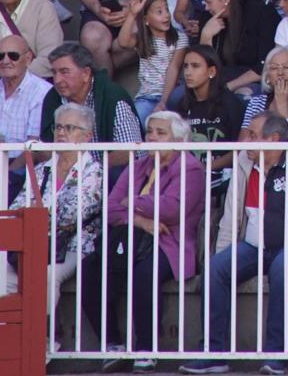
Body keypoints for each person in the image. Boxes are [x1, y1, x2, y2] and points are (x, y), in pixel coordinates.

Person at [189, 113, 288, 372]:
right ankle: (213, 353)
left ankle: (276, 355)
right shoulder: (244, 160)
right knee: (216, 268)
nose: (245, 140)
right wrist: (222, 255)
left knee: (283, 267)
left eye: (252, 135)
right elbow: (230, 218)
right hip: (252, 246)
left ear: (274, 139)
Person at [81, 110, 203, 364]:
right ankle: (112, 343)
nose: (152, 138)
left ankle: (146, 349)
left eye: (161, 133)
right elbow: (111, 208)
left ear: (179, 140)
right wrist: (140, 219)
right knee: (90, 268)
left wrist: (132, 201)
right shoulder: (139, 164)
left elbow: (171, 209)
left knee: (145, 274)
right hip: (129, 237)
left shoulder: (190, 167)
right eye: (150, 132)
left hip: (170, 242)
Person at [16, 101, 105, 307]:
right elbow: (17, 208)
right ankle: (12, 334)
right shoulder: (42, 170)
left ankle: (45, 335)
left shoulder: (94, 171)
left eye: (70, 128)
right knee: (3, 273)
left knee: (46, 274)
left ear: (87, 136)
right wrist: (38, 215)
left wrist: (36, 214)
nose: (61, 132)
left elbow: (72, 214)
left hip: (73, 245)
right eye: (58, 127)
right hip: (36, 242)